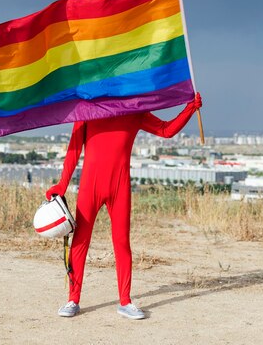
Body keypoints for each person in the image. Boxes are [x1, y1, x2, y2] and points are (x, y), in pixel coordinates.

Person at [47, 93, 202, 319]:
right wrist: (62, 183)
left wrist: (190, 108)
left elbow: (166, 131)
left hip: (120, 187)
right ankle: (73, 299)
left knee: (122, 243)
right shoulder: (87, 108)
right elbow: (74, 150)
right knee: (80, 241)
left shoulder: (135, 110)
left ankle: (126, 302)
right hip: (91, 186)